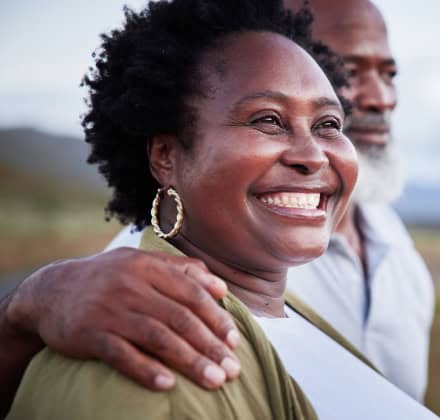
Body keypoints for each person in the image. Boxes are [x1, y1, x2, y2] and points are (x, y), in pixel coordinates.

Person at [6, 1, 438, 418]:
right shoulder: (150, 334)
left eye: (328, 124)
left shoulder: (309, 283)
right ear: (165, 156)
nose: (314, 155)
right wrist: (27, 305)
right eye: (268, 119)